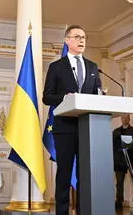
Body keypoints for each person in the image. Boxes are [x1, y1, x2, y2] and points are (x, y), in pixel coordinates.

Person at [43, 25, 102, 215]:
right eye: (77, 37)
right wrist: (65, 98)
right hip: (65, 128)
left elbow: (97, 94)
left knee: (85, 174)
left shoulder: (93, 67)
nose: (82, 40)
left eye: (84, 37)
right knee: (64, 173)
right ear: (67, 40)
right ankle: (62, 212)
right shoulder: (56, 67)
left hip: (87, 127)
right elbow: (47, 97)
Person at [112, 114, 133, 211]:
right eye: (122, 117)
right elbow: (113, 147)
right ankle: (119, 202)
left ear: (129, 118)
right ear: (121, 119)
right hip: (119, 161)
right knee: (119, 183)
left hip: (131, 159)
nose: (124, 119)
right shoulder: (115, 132)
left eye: (126, 117)